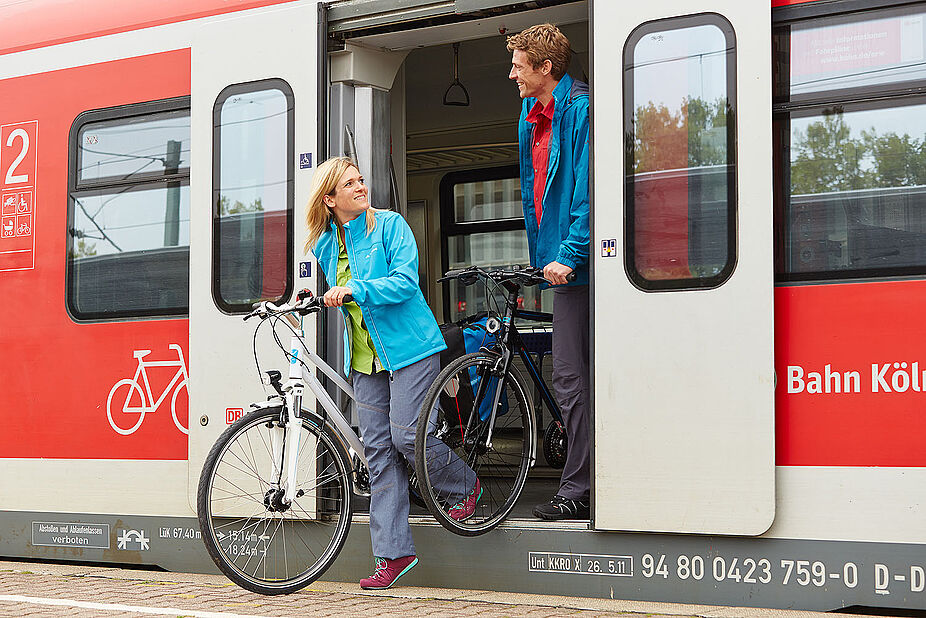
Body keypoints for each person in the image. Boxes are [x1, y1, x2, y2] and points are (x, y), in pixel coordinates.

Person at [305, 156, 480, 590]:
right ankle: (393, 554)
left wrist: (355, 290)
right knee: (378, 454)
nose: (361, 187)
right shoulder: (326, 242)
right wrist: (307, 292)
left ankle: (465, 485)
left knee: (407, 436)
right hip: (365, 359)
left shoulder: (389, 226)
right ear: (331, 199)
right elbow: (322, 280)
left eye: (361, 180)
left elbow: (406, 281)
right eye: (350, 184)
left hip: (410, 348)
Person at [507, 24, 591, 520]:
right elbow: (533, 192)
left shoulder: (577, 109)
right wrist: (542, 257)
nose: (511, 72)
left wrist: (570, 253)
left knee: (570, 378)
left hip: (578, 269)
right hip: (556, 265)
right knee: (571, 378)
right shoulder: (528, 115)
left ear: (545, 68)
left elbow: (586, 191)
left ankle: (577, 488)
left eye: (519, 64)